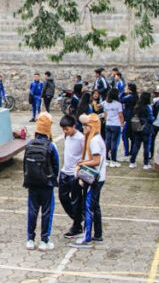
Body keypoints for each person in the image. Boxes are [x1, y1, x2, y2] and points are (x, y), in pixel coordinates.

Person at [23, 113, 60, 251]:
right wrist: (53, 180)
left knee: (32, 211)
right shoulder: (51, 146)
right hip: (47, 185)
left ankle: (30, 239)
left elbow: (25, 166)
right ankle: (44, 240)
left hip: (32, 184)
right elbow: (57, 165)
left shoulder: (29, 144)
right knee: (46, 212)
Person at [72, 113, 106, 249]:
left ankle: (87, 238)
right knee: (95, 206)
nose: (83, 128)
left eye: (86, 126)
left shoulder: (95, 140)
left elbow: (96, 161)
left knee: (89, 206)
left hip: (95, 179)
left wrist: (81, 163)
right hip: (99, 177)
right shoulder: (94, 139)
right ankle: (97, 233)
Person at [57, 114, 85, 240]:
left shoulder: (81, 138)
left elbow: (85, 156)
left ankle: (77, 225)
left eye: (67, 129)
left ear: (74, 127)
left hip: (75, 174)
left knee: (76, 200)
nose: (65, 131)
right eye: (63, 129)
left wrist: (80, 170)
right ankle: (79, 219)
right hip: (64, 172)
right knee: (63, 197)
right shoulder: (66, 136)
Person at [130, 92, 154, 169]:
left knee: (136, 145)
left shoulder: (137, 107)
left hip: (137, 128)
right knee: (146, 147)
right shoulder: (148, 107)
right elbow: (150, 119)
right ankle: (146, 163)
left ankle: (132, 161)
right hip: (146, 129)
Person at [102, 88, 124, 167]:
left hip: (108, 124)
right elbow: (120, 115)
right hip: (116, 124)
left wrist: (107, 120)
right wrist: (122, 124)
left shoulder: (106, 103)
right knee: (114, 142)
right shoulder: (118, 104)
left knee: (107, 141)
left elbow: (105, 114)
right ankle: (113, 160)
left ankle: (106, 159)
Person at [120, 83, 137, 160]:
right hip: (134, 118)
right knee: (133, 137)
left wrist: (123, 93)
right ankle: (131, 152)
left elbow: (120, 99)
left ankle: (126, 153)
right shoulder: (135, 96)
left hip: (129, 118)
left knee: (125, 135)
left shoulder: (130, 96)